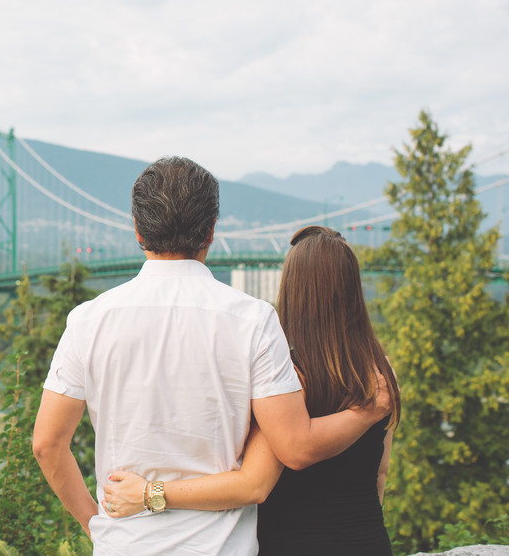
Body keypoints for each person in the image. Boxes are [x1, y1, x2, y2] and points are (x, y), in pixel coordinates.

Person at [32, 157, 391, 555]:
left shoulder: (88, 320)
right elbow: (286, 454)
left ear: (137, 230)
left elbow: (47, 445)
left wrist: (96, 525)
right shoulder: (254, 321)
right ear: (211, 230)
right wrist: (369, 410)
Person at [101, 225, 400, 555]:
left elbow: (256, 480)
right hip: (368, 542)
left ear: (292, 289)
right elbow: (381, 473)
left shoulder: (282, 376)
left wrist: (149, 492)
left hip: (289, 545)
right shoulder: (380, 374)